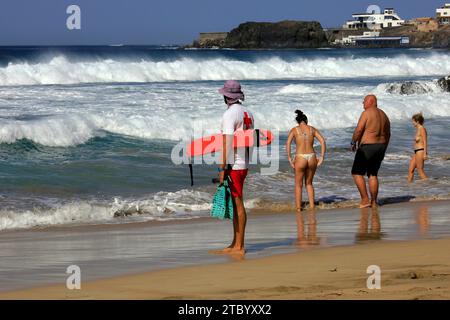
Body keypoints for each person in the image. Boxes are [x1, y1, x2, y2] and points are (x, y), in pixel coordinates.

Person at [217, 80, 254, 256]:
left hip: (235, 165)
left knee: (238, 203)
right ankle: (235, 242)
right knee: (235, 201)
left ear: (227, 96)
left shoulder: (230, 114)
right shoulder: (248, 112)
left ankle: (240, 245)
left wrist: (222, 168)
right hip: (244, 162)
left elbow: (227, 142)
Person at [351, 94, 391, 208]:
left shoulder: (367, 113)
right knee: (373, 174)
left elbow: (359, 130)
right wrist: (384, 148)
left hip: (367, 147)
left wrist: (353, 142)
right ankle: (374, 202)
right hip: (381, 146)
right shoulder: (384, 115)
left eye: (364, 102)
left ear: (371, 101)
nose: (363, 104)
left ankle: (365, 200)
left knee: (357, 173)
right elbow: (388, 134)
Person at [286, 110, 326, 212]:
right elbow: (322, 141)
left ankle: (299, 208)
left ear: (298, 121)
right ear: (306, 120)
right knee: (309, 183)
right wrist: (321, 157)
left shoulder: (295, 130)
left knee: (298, 185)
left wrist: (290, 158)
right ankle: (312, 206)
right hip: (312, 157)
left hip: (300, 157)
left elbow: (288, 143)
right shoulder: (312, 129)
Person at [408, 113, 428, 182]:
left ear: (417, 121)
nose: (412, 123)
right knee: (411, 169)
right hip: (416, 152)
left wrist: (425, 154)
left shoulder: (422, 129)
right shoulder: (418, 129)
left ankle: (428, 185)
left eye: (413, 121)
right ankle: (409, 186)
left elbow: (425, 141)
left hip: (421, 151)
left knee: (420, 170)